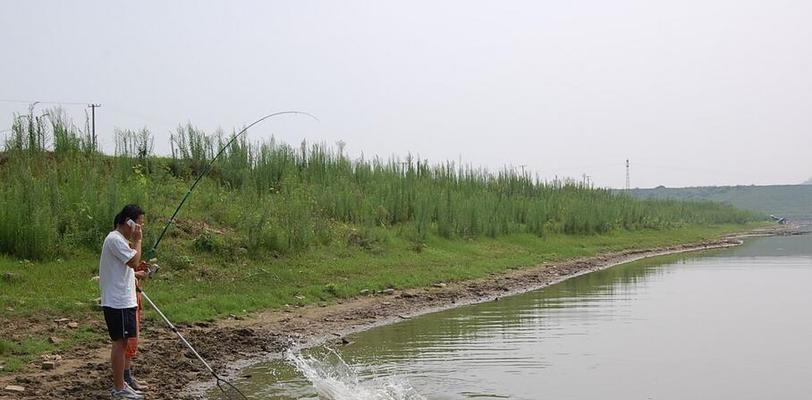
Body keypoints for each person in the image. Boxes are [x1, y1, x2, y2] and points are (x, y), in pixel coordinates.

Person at [99, 204, 146, 400]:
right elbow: (133, 261)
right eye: (139, 224)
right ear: (129, 222)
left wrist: (135, 275)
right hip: (117, 302)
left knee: (124, 342)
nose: (140, 228)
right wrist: (138, 241)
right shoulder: (115, 240)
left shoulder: (120, 241)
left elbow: (128, 267)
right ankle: (118, 388)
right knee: (120, 343)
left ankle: (122, 383)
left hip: (124, 300)